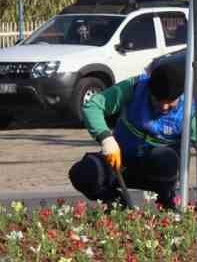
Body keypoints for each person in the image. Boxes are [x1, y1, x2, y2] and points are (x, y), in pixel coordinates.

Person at [69, 59, 186, 208]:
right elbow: (93, 106)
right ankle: (117, 205)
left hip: (158, 172)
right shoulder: (135, 87)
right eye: (157, 100)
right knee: (83, 172)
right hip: (121, 163)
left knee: (165, 158)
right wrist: (106, 139)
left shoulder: (190, 108)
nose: (164, 106)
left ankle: (167, 205)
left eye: (170, 102)